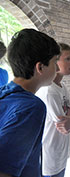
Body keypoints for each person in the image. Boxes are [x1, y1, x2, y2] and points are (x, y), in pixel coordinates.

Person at [0, 29, 60, 177]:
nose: (58, 69)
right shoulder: (31, 107)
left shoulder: (4, 92)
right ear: (40, 67)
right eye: (54, 62)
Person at [36, 43, 70, 177]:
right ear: (55, 62)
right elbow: (64, 126)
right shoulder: (50, 91)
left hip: (61, 151)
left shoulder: (62, 87)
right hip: (50, 155)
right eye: (67, 59)